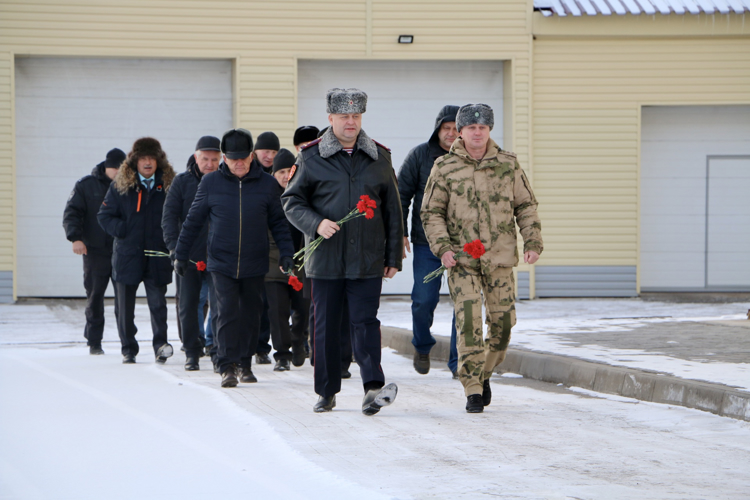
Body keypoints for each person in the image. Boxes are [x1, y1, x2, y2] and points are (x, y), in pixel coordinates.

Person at [282, 88, 403, 415]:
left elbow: (392, 209)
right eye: (344, 116)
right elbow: (291, 202)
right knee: (325, 326)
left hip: (366, 258)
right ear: (330, 118)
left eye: (356, 116)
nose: (350, 122)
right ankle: (326, 391)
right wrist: (316, 223)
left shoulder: (379, 157)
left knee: (365, 322)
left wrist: (393, 256)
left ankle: (372, 388)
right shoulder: (310, 157)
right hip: (326, 260)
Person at [421, 103, 543, 413]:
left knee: (502, 326)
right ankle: (472, 388)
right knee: (469, 322)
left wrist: (532, 241)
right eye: (471, 128)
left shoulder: (508, 165)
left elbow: (526, 206)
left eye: (483, 127)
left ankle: (484, 372)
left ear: (489, 130)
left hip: (500, 256)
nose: (477, 132)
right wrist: (443, 248)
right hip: (462, 259)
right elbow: (431, 212)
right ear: (459, 132)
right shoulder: (444, 167)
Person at [174, 128, 294, 388]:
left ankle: (245, 363)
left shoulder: (267, 184)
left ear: (251, 156)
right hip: (221, 261)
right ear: (224, 158)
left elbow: (279, 223)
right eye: (232, 158)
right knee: (226, 312)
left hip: (254, 260)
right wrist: (181, 254)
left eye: (243, 158)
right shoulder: (210, 183)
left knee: (251, 314)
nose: (239, 163)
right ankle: (226, 366)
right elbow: (193, 221)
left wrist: (286, 253)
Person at [98, 138, 176, 364]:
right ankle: (128, 348)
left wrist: (169, 240)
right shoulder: (121, 185)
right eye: (143, 158)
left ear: (158, 160)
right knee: (125, 308)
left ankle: (160, 345)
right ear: (136, 161)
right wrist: (123, 230)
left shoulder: (170, 185)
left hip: (157, 256)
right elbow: (104, 216)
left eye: (152, 158)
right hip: (127, 256)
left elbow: (179, 216)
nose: (148, 162)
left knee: (158, 306)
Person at [398, 105, 460, 376]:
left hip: (463, 245)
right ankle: (422, 346)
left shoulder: (472, 157)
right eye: (446, 128)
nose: (451, 134)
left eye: (456, 128)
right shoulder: (421, 156)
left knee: (464, 303)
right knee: (423, 300)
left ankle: (459, 362)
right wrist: (400, 231)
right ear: (437, 129)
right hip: (427, 243)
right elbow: (401, 193)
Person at [162, 136, 221, 371]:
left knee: (219, 305)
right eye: (205, 159)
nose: (209, 164)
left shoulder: (225, 182)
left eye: (214, 159)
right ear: (196, 157)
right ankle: (192, 351)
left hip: (219, 256)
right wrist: (175, 249)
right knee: (188, 305)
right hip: (188, 256)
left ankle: (217, 350)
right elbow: (169, 217)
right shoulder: (182, 182)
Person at [63, 147, 125, 355]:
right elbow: (72, 213)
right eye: (114, 167)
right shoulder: (86, 186)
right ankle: (94, 342)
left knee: (125, 298)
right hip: (95, 251)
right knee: (95, 296)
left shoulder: (131, 187)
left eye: (121, 167)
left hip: (122, 251)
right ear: (106, 167)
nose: (117, 171)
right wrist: (75, 238)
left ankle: (127, 343)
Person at [264, 148, 309, 371]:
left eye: (288, 170)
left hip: (303, 264)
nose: (284, 175)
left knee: (303, 308)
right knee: (278, 311)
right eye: (279, 171)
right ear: (273, 175)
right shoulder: (268, 198)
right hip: (274, 264)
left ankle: (298, 340)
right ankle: (282, 354)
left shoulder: (305, 196)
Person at [251, 132, 281, 364]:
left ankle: (264, 346)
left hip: (274, 250)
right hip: (252, 245)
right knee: (254, 302)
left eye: (273, 152)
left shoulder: (280, 175)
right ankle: (253, 345)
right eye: (265, 151)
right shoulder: (249, 174)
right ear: (255, 152)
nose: (269, 156)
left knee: (271, 303)